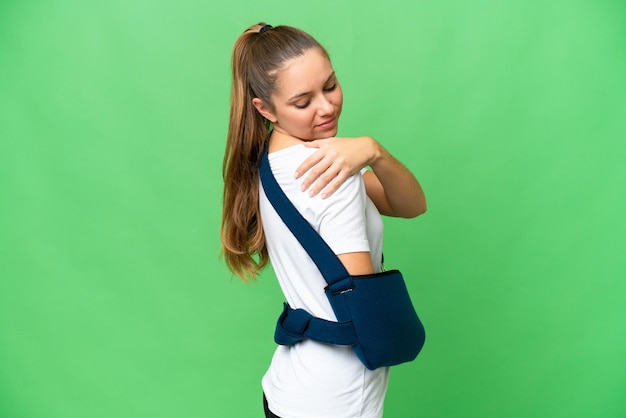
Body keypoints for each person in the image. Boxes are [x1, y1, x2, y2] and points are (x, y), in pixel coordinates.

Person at [221, 22, 426, 418]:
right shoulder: (332, 176)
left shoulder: (272, 160)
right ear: (265, 108)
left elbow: (411, 204)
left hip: (288, 390)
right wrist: (362, 159)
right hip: (338, 399)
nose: (327, 107)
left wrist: (373, 152)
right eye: (303, 102)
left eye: (330, 86)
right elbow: (364, 307)